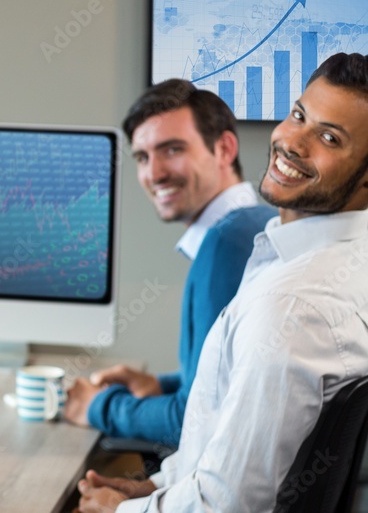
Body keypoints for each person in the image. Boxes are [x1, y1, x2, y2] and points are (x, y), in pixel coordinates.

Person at [77, 52, 368, 512]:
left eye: (329, 137)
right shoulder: (295, 255)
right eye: (298, 115)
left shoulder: (292, 304)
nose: (294, 141)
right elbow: (227, 422)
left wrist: (116, 509)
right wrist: (157, 489)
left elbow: (224, 505)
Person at [62, 79, 276, 448]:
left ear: (224, 149)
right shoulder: (254, 223)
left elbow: (194, 421)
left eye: (172, 150)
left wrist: (99, 406)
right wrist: (162, 384)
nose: (154, 174)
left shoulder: (227, 243)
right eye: (143, 157)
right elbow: (229, 380)